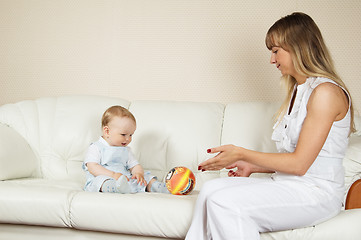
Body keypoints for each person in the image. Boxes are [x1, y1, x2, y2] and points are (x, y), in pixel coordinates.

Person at [186, 12, 355, 240]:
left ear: (298, 47)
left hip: (317, 194)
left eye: (276, 51)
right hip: (289, 185)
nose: (272, 60)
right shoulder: (299, 90)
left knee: (223, 202)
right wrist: (253, 166)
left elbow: (300, 165)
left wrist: (242, 153)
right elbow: (302, 158)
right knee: (209, 190)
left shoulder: (325, 93)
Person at [83, 105, 169, 194]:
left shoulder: (126, 150)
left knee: (145, 177)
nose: (128, 139)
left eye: (131, 135)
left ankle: (157, 186)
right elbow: (92, 167)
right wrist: (113, 175)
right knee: (100, 181)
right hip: (105, 176)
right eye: (123, 135)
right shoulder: (96, 147)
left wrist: (138, 173)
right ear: (107, 131)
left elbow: (135, 165)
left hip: (125, 179)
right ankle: (114, 187)